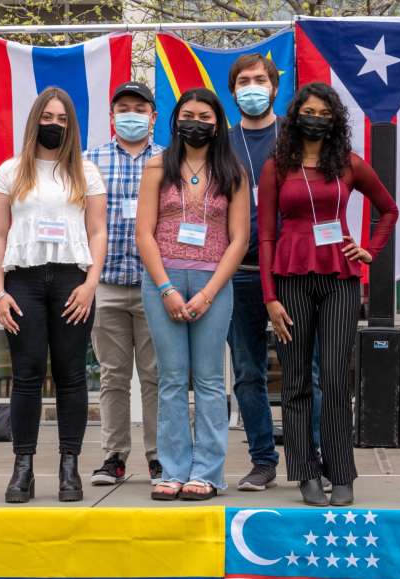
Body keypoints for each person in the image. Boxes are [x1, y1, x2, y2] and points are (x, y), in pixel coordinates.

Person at [258, 82, 399, 507]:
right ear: (295, 116)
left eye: (323, 112)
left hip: (340, 278)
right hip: (290, 279)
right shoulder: (276, 167)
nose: (314, 118)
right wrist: (269, 297)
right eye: (308, 111)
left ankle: (341, 472)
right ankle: (304, 472)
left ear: (334, 120)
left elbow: (388, 208)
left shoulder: (350, 164)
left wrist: (369, 251)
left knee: (337, 379)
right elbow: (265, 236)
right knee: (297, 380)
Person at [0, 87, 108, 503]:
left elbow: (97, 231)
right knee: (27, 374)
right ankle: (23, 468)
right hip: (24, 282)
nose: (53, 124)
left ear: (70, 125)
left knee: (72, 375)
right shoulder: (10, 171)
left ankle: (68, 466)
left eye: (61, 119)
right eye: (47, 117)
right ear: (35, 118)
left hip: (73, 279)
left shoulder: (86, 172)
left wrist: (91, 283)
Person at [136, 88, 250, 501]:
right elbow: (143, 234)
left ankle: (207, 471)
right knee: (169, 379)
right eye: (188, 114)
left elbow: (239, 240)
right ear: (175, 120)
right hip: (162, 282)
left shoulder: (233, 171)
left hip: (212, 284)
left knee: (208, 378)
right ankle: (172, 469)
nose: (195, 122)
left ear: (217, 123)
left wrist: (208, 293)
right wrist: (165, 287)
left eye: (204, 115)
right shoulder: (156, 167)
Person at [84, 82, 165, 487]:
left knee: (156, 375)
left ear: (153, 117)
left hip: (156, 285)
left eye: (139, 108)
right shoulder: (89, 160)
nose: (130, 115)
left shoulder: (169, 161)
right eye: (123, 109)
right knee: (112, 376)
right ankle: (113, 457)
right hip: (107, 284)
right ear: (112, 116)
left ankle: (159, 458)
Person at [225, 53, 283, 492]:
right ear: (233, 92)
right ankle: (263, 460)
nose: (252, 86)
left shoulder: (296, 138)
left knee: (307, 370)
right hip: (239, 272)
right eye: (243, 81)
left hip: (291, 272)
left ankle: (310, 458)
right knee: (247, 372)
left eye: (259, 79)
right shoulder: (221, 144)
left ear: (275, 86)